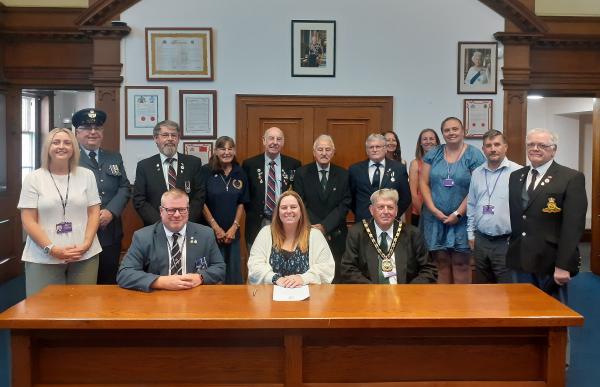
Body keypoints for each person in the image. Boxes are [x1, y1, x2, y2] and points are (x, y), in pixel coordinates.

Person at [18, 128, 102, 296]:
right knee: (43, 311)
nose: (61, 146)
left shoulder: (87, 175)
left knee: (82, 310)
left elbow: (94, 213)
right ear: (48, 147)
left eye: (67, 142)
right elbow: (28, 220)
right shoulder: (33, 178)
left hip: (84, 256)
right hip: (44, 257)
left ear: (74, 148)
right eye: (56, 142)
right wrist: (51, 249)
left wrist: (85, 245)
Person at [507, 128, 587, 297]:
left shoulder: (571, 177)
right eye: (531, 144)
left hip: (550, 261)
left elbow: (573, 226)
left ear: (554, 150)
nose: (535, 148)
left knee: (552, 316)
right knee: (521, 310)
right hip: (520, 258)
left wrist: (563, 265)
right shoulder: (516, 176)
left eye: (542, 145)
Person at [117, 188, 225, 292]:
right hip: (156, 299)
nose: (177, 215)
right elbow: (124, 274)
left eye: (182, 209)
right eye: (171, 210)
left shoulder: (205, 234)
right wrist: (160, 282)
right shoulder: (143, 237)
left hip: (194, 297)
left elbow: (219, 268)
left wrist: (200, 277)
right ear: (161, 211)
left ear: (188, 210)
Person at [419, 117, 485, 284]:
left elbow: (477, 187)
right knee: (440, 262)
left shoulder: (474, 154)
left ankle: (462, 307)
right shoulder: (433, 154)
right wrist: (434, 210)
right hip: (435, 218)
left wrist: (458, 213)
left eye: (455, 129)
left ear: (463, 131)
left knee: (461, 263)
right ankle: (442, 306)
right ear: (443, 133)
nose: (451, 133)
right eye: (447, 130)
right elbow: (423, 183)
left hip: (462, 219)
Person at [73, 108, 130, 284]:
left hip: (109, 231)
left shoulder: (114, 157)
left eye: (97, 128)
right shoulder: (70, 158)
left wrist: (111, 212)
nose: (92, 132)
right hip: (80, 231)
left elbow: (124, 187)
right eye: (86, 127)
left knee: (108, 279)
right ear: (76, 132)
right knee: (82, 282)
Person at [340, 189, 437, 284]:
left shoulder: (412, 234)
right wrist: (371, 291)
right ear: (371, 210)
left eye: (390, 207)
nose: (386, 211)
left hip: (405, 295)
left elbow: (429, 270)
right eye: (381, 207)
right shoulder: (357, 233)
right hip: (369, 295)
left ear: (396, 210)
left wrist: (409, 291)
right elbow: (348, 269)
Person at [293, 135, 351, 283]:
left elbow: (345, 204)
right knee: (312, 276)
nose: (324, 153)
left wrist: (325, 226)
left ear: (333, 152)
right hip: (309, 232)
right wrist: (315, 227)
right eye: (320, 149)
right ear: (314, 152)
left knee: (336, 277)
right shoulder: (302, 173)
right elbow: (300, 203)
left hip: (336, 234)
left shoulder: (344, 174)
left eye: (327, 149)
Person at [467, 130, 521, 283]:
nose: (493, 149)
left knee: (506, 289)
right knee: (482, 288)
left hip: (506, 241)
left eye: (497, 144)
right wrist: (470, 234)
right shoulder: (477, 173)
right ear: (483, 149)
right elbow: (471, 204)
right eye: (488, 145)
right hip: (481, 240)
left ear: (505, 147)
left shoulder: (518, 172)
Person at [247, 190, 335, 287]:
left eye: (293, 207)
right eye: (284, 208)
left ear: (301, 211)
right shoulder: (265, 233)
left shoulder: (315, 235)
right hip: (270, 297)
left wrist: (303, 279)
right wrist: (275, 279)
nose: (289, 211)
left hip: (307, 297)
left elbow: (327, 268)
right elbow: (254, 266)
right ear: (278, 212)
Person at [133, 120, 205, 226]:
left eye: (174, 135)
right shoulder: (144, 166)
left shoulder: (193, 163)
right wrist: (162, 223)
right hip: (156, 227)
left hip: (187, 226)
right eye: (165, 135)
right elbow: (139, 200)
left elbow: (199, 197)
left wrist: (184, 221)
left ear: (178, 139)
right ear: (156, 139)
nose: (170, 139)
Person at [242, 126, 301, 248]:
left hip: (285, 221)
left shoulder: (294, 164)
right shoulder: (250, 165)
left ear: (283, 142)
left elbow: (298, 194)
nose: (275, 142)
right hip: (258, 223)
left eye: (279, 139)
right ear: (264, 141)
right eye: (271, 138)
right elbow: (245, 196)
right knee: (257, 261)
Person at [201, 136, 249, 284]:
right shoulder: (205, 171)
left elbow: (241, 202)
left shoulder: (240, 172)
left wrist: (234, 227)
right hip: (210, 232)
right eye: (222, 148)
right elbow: (201, 202)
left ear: (234, 151)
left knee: (234, 274)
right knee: (213, 274)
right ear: (215, 151)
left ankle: (235, 305)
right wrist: (215, 227)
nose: (226, 152)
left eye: (230, 149)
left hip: (232, 234)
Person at [349, 133, 410, 222]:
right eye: (371, 147)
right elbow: (351, 198)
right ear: (367, 150)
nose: (374, 150)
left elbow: (406, 198)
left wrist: (392, 215)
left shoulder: (399, 169)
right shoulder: (355, 169)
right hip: (363, 223)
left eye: (378, 147)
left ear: (385, 149)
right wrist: (363, 213)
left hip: (389, 222)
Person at [408, 128, 440, 227]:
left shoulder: (444, 163)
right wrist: (424, 215)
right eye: (425, 139)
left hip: (441, 213)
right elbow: (413, 194)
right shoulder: (415, 163)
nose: (428, 141)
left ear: (437, 142)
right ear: (420, 143)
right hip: (420, 213)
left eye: (431, 138)